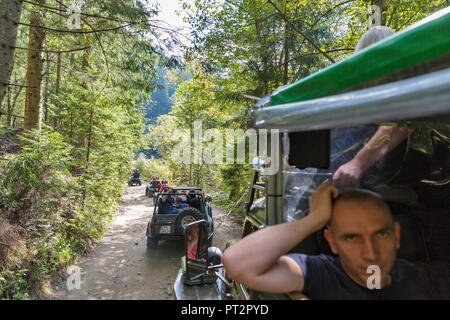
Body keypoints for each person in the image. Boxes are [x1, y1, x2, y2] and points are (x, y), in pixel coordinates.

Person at [222, 183, 430, 299]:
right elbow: (236, 262)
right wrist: (314, 219)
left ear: (397, 235)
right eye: (351, 238)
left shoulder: (424, 277)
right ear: (331, 242)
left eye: (381, 234)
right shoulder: (322, 274)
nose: (371, 253)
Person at [330, 26, 410, 189]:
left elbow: (399, 124)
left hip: (363, 177)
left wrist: (357, 163)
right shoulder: (363, 94)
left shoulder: (402, 88)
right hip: (337, 174)